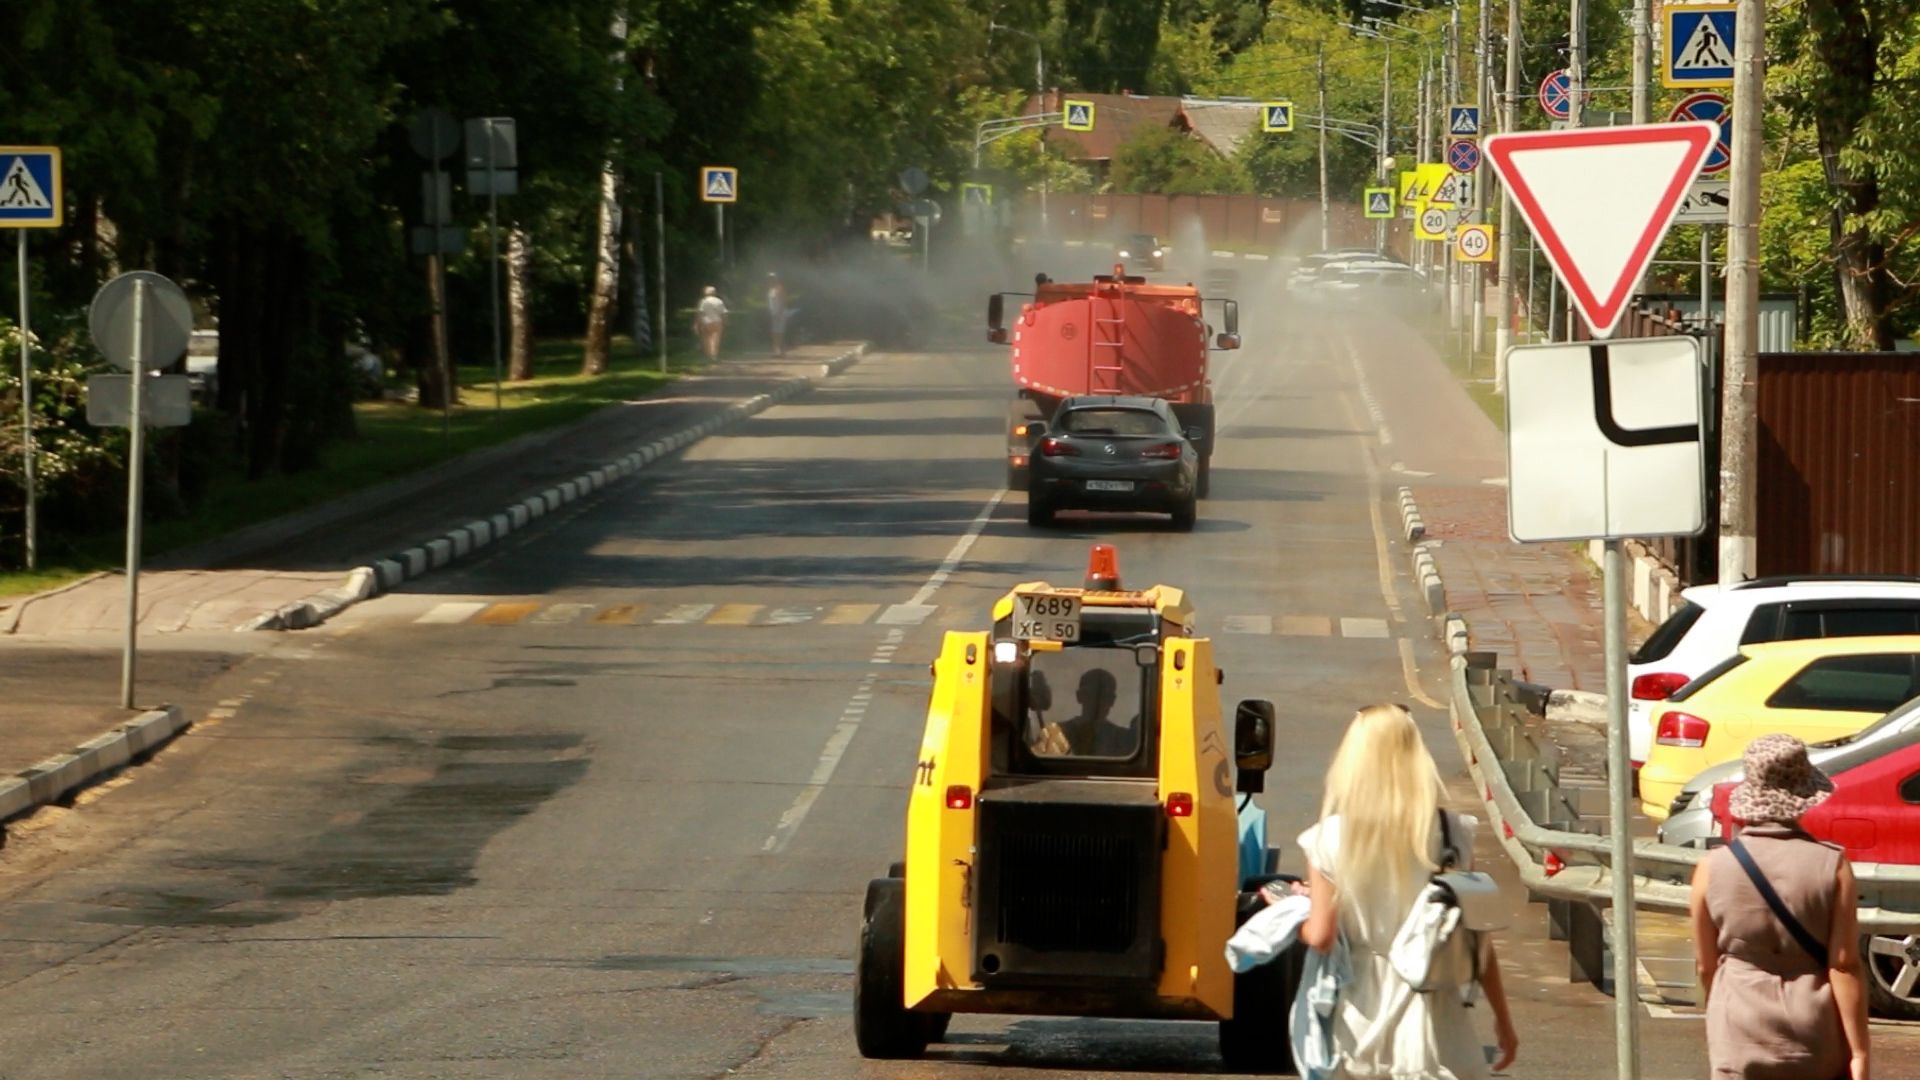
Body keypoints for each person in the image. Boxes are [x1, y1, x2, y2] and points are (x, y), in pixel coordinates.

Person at [1297, 704, 1519, 1078]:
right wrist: (1503, 1020)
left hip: (1362, 1017)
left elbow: (1320, 936)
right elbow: (1478, 940)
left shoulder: (1330, 839)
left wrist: (1297, 910)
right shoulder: (1455, 834)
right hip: (1439, 1017)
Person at [1689, 734, 1870, 1080]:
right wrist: (1859, 1053)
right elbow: (1844, 965)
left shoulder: (1711, 867)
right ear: (1804, 796)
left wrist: (1724, 1009)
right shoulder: (1832, 864)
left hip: (1738, 1023)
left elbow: (1705, 965)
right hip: (1811, 1027)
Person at [694, 285, 727, 360]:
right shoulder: (719, 301)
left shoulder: (703, 301)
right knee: (716, 339)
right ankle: (714, 355)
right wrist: (725, 321)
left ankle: (708, 355)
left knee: (706, 339)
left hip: (706, 322)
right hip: (717, 322)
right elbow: (723, 312)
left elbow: (700, 313)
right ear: (714, 292)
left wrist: (696, 323)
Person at [766, 273, 791, 357]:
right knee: (775, 333)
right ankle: (777, 351)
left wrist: (780, 312)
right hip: (774, 313)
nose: (771, 280)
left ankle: (780, 351)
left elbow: (783, 300)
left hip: (780, 313)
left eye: (772, 278)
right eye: (770, 278)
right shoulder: (770, 289)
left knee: (779, 333)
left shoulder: (779, 288)